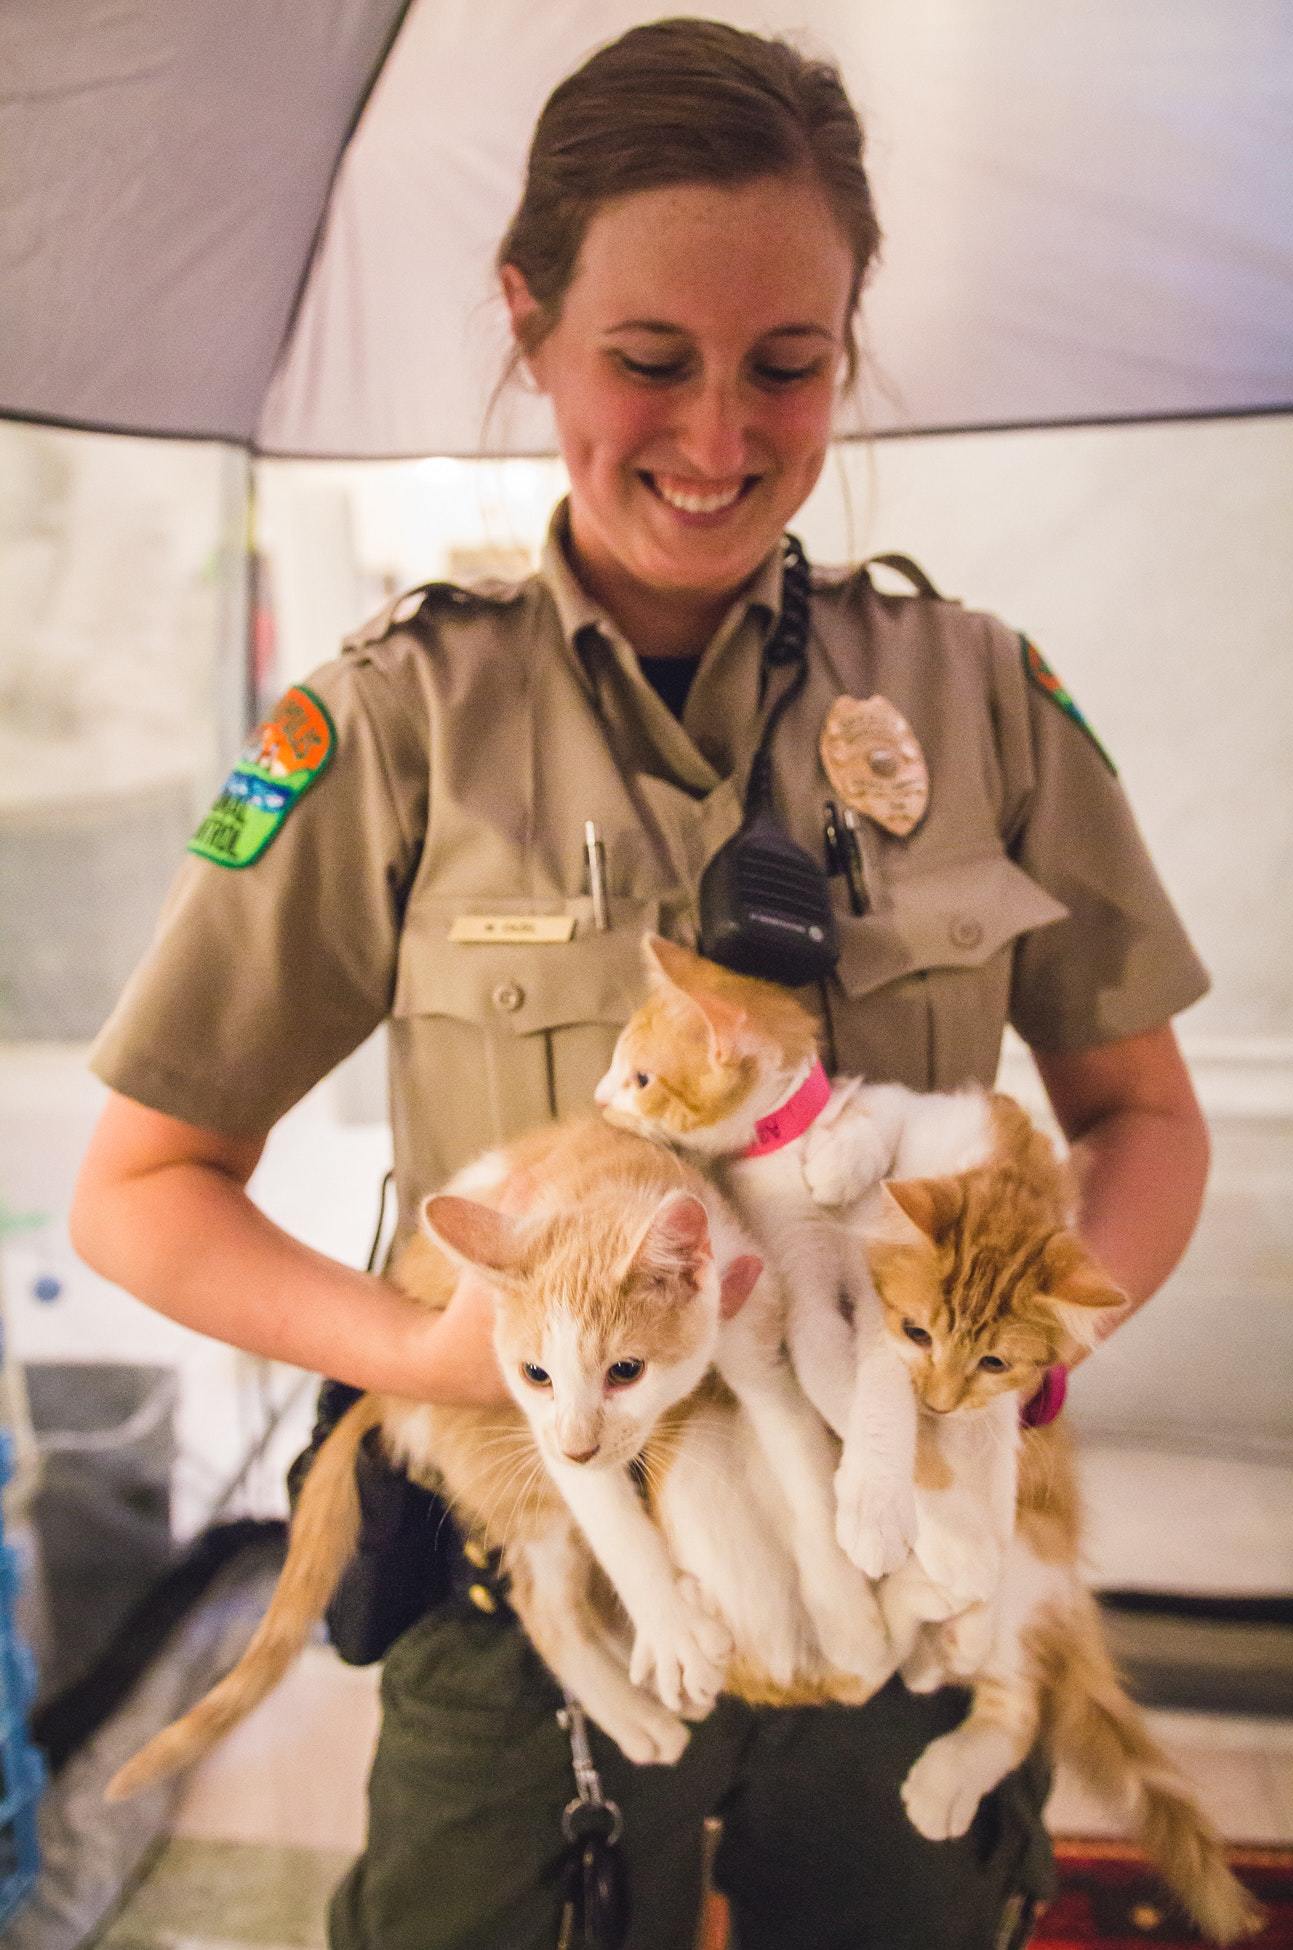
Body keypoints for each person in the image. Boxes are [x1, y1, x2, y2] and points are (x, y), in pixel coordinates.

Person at [70, 20, 1211, 1950]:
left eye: (791, 366)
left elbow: (1143, 1117)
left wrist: (1004, 1357)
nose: (717, 441)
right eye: (647, 362)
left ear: (851, 340)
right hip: (545, 1623)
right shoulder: (398, 721)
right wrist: (438, 1357)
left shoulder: (978, 695)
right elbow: (141, 1184)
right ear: (528, 324)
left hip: (895, 1622)